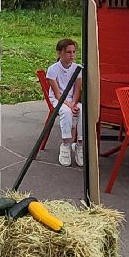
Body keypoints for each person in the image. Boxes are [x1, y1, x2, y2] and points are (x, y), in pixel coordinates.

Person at [44, 38, 83, 167]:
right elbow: (57, 94)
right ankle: (66, 145)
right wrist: (69, 105)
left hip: (72, 99)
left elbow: (77, 89)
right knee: (66, 111)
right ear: (60, 53)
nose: (72, 55)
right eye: (68, 52)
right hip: (58, 99)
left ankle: (80, 145)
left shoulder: (77, 68)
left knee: (82, 110)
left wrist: (74, 103)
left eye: (73, 52)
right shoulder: (53, 69)